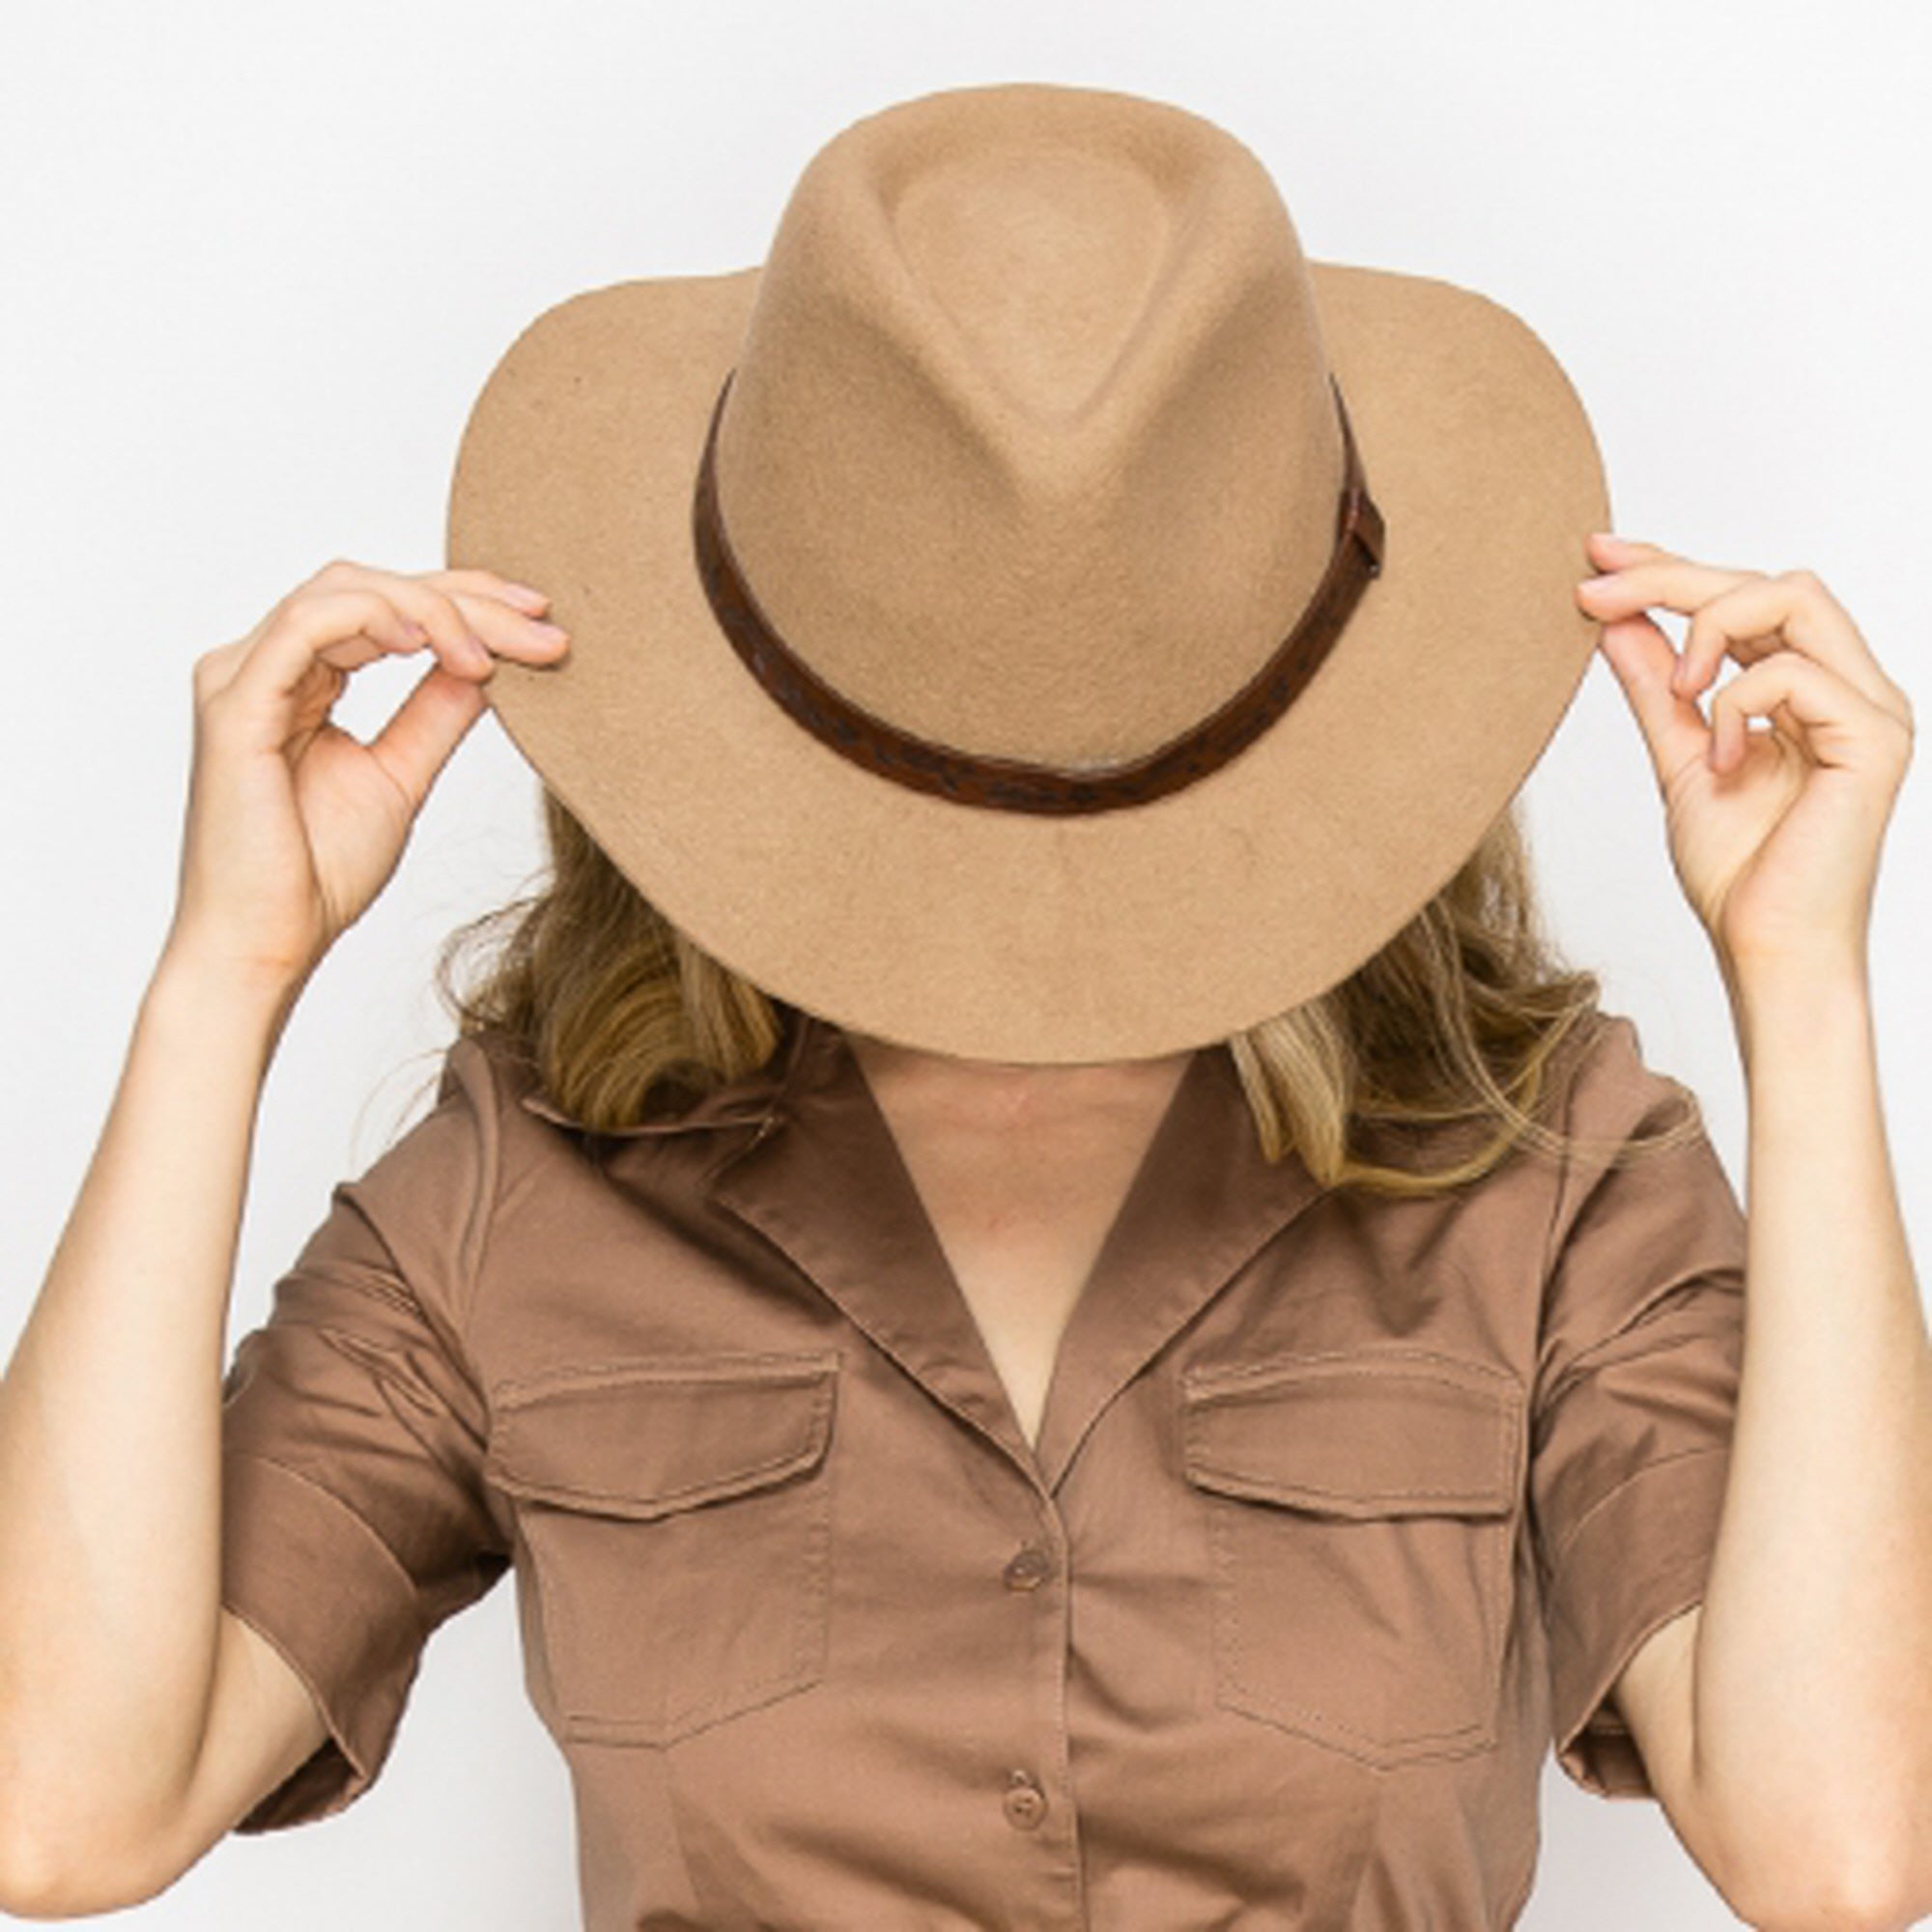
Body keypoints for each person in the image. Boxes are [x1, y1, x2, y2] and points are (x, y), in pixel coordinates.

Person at [1, 79, 1926, 1932]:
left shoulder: (1550, 1165)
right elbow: (63, 1806)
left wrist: (1803, 981)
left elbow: (1834, 1850)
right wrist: (221, 975)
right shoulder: (527, 1179)